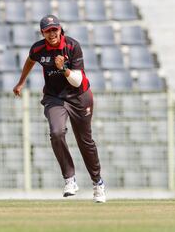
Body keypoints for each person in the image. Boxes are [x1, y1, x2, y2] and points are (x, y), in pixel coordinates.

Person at [13, 15, 106, 203]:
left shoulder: (72, 46)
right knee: (56, 132)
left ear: (60, 29)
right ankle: (69, 178)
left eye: (54, 29)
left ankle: (97, 183)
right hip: (54, 97)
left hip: (79, 96)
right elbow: (30, 60)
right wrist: (21, 82)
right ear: (42, 33)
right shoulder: (38, 48)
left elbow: (77, 80)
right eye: (48, 31)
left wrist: (63, 68)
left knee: (84, 141)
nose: (52, 33)